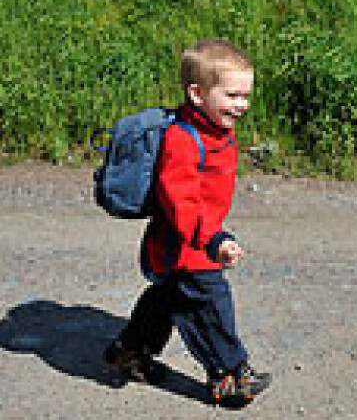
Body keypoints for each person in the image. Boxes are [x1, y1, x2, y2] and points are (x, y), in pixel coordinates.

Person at [104, 39, 271, 403]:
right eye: (232, 96)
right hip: (185, 243)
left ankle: (128, 352)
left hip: (193, 239)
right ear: (197, 94)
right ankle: (230, 377)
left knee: (168, 300)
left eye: (245, 97)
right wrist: (213, 239)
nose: (241, 106)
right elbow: (182, 201)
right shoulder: (183, 139)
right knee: (210, 303)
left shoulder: (216, 133)